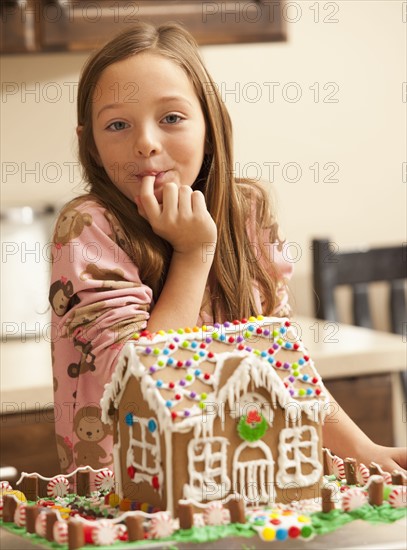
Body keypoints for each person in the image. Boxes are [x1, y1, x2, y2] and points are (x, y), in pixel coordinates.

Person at [49, 21, 406, 476]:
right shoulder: (87, 227)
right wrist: (194, 254)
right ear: (91, 146)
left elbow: (279, 360)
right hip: (128, 501)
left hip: (240, 481)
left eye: (172, 118)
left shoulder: (246, 212)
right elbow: (138, 385)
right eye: (117, 124)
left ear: (211, 124)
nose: (146, 143)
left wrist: (363, 449)